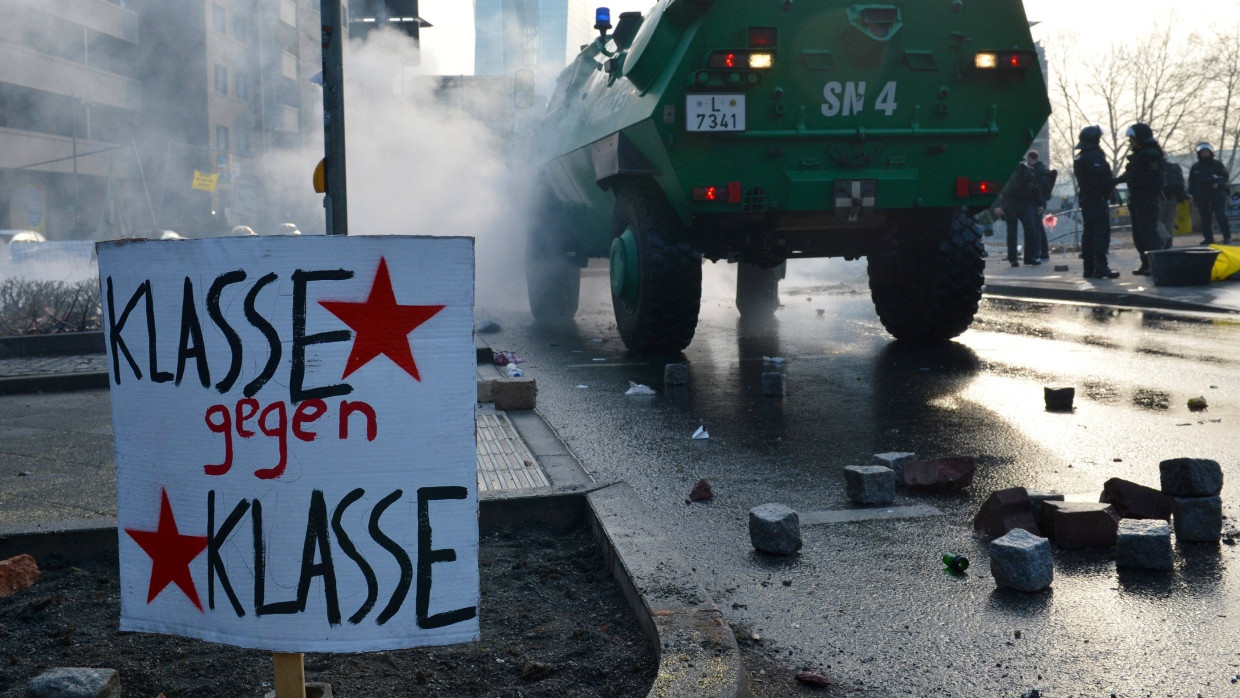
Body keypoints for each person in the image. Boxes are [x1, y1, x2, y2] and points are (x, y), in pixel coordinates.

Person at [1116, 123, 1165, 275]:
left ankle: (1155, 265)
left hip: (1146, 199)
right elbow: (1131, 173)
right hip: (1137, 198)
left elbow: (1154, 179)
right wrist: (1116, 181)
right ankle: (1145, 263)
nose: (1130, 141)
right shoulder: (1139, 153)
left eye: (1132, 138)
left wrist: (1136, 182)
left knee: (1149, 233)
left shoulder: (1150, 154)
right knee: (1138, 234)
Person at [1072, 125, 1120, 278]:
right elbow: (1097, 181)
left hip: (1087, 199)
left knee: (1089, 233)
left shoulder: (1081, 156)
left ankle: (1089, 267)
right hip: (1096, 200)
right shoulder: (1094, 156)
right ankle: (1101, 266)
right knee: (1100, 233)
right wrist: (1115, 181)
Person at [993, 156, 1044, 267]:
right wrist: (998, 205)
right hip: (1010, 203)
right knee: (1014, 231)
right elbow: (998, 188)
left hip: (1023, 203)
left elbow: (1035, 187)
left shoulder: (1027, 170)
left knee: (1028, 229)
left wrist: (1039, 203)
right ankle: (1014, 258)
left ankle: (1027, 257)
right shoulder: (1007, 170)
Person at [1188, 142, 1231, 245]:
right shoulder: (1195, 167)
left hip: (1217, 194)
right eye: (1203, 152)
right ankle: (1208, 238)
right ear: (1199, 153)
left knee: (1221, 215)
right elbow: (1191, 183)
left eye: (1207, 151)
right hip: (1202, 196)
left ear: (1210, 152)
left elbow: (1225, 176)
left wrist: (1218, 183)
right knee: (1205, 219)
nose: (1205, 154)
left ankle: (1226, 237)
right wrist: (1191, 196)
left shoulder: (1217, 164)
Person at [1027, 150, 1056, 260]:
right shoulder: (1041, 169)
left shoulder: (1037, 170)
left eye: (1027, 158)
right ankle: (1044, 251)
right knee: (1039, 226)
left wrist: (1040, 203)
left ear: (1030, 158)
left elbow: (1040, 188)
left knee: (1038, 227)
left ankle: (1040, 251)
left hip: (1038, 202)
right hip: (1040, 201)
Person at [1158, 158, 1187, 249]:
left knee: (1156, 220)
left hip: (1161, 197)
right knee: (1170, 221)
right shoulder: (1174, 167)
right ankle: (1169, 243)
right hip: (1174, 197)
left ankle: (1166, 237)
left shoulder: (1156, 167)